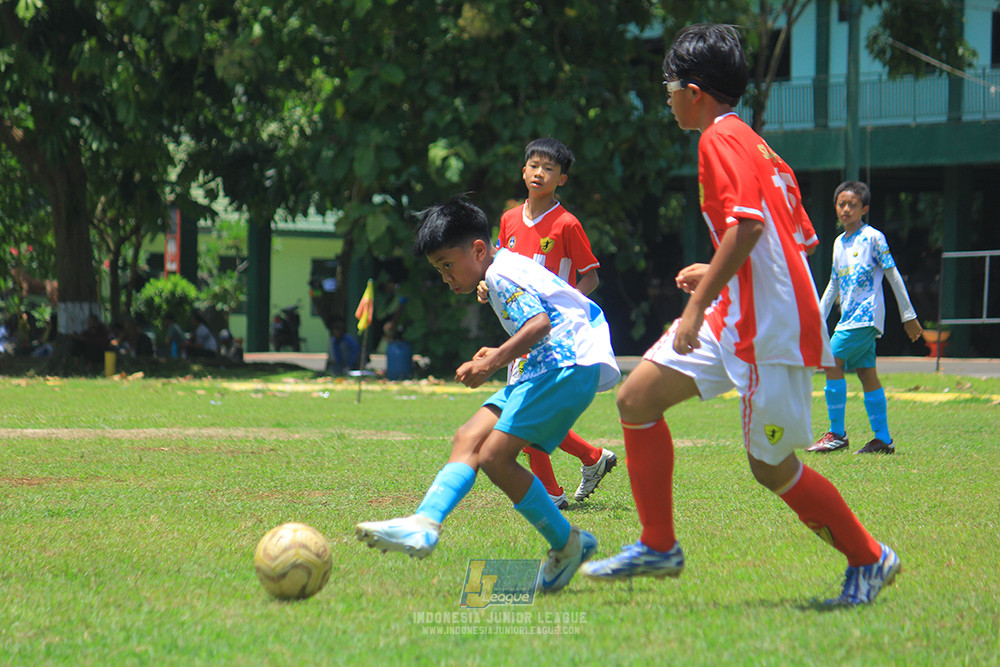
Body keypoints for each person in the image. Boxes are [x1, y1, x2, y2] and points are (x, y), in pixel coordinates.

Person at [581, 24, 900, 606]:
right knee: (636, 399)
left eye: (669, 85)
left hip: (765, 327)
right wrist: (714, 275)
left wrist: (696, 304)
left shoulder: (717, 141)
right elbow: (790, 239)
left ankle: (870, 557)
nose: (667, 96)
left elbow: (751, 227)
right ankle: (658, 544)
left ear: (694, 90)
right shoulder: (758, 144)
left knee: (771, 467)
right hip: (738, 312)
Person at [356, 196, 620, 593]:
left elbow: (540, 322)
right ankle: (425, 524)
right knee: (469, 438)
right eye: (438, 269)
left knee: (496, 457)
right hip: (548, 365)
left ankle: (567, 544)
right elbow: (544, 315)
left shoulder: (499, 275)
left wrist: (495, 359)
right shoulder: (504, 265)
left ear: (478, 249)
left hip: (565, 367)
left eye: (447, 265)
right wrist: (503, 351)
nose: (446, 277)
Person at [487, 137, 617, 510]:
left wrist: (569, 311)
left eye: (549, 169)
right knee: (527, 411)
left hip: (550, 333)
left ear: (562, 178)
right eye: (534, 165)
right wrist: (487, 287)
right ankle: (592, 458)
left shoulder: (567, 224)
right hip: (521, 327)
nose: (539, 173)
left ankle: (552, 493)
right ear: (523, 169)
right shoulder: (509, 219)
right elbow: (499, 267)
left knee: (523, 411)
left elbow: (590, 275)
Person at [807, 181, 923, 455]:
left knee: (830, 360)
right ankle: (883, 439)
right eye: (841, 204)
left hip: (865, 317)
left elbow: (893, 275)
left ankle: (837, 434)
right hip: (848, 319)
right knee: (867, 374)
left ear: (864, 209)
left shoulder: (874, 238)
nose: (846, 209)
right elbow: (834, 284)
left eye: (853, 205)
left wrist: (909, 315)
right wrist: (817, 318)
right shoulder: (838, 243)